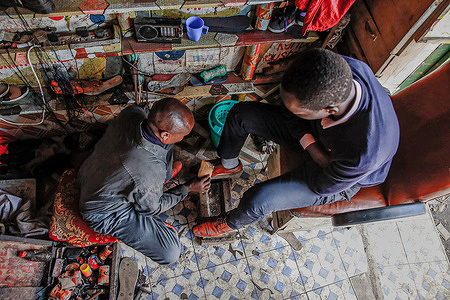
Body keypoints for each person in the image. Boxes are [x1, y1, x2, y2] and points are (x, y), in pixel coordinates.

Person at [193, 48, 400, 237]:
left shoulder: (364, 154)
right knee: (241, 114)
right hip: (318, 140)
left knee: (258, 199)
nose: (288, 109)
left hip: (335, 177)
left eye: (298, 111)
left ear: (329, 110)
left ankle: (229, 224)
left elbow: (321, 185)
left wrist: (314, 150)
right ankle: (230, 165)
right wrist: (312, 146)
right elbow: (288, 114)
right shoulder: (338, 69)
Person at [78, 98, 210, 264]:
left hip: (92, 172)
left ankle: (157, 181)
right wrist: (187, 188)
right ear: (165, 135)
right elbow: (151, 209)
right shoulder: (149, 171)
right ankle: (151, 199)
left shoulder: (133, 112)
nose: (183, 138)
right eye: (183, 136)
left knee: (165, 153)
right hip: (103, 212)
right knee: (170, 253)